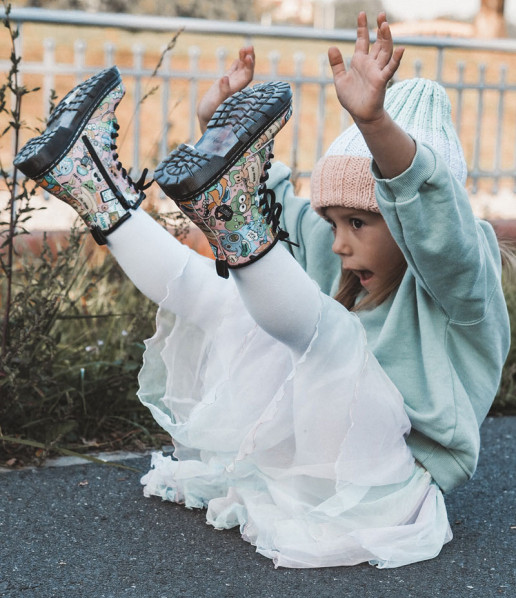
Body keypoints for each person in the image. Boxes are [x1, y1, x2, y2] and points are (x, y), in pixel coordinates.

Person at [14, 13, 510, 569]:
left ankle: (227, 210)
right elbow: (281, 213)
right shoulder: (339, 253)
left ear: (405, 219)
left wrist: (374, 124)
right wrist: (217, 130)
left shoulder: (464, 285)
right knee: (228, 297)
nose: (339, 243)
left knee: (328, 334)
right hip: (310, 467)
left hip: (390, 489)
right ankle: (96, 189)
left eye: (358, 222)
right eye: (333, 221)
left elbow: (435, 221)